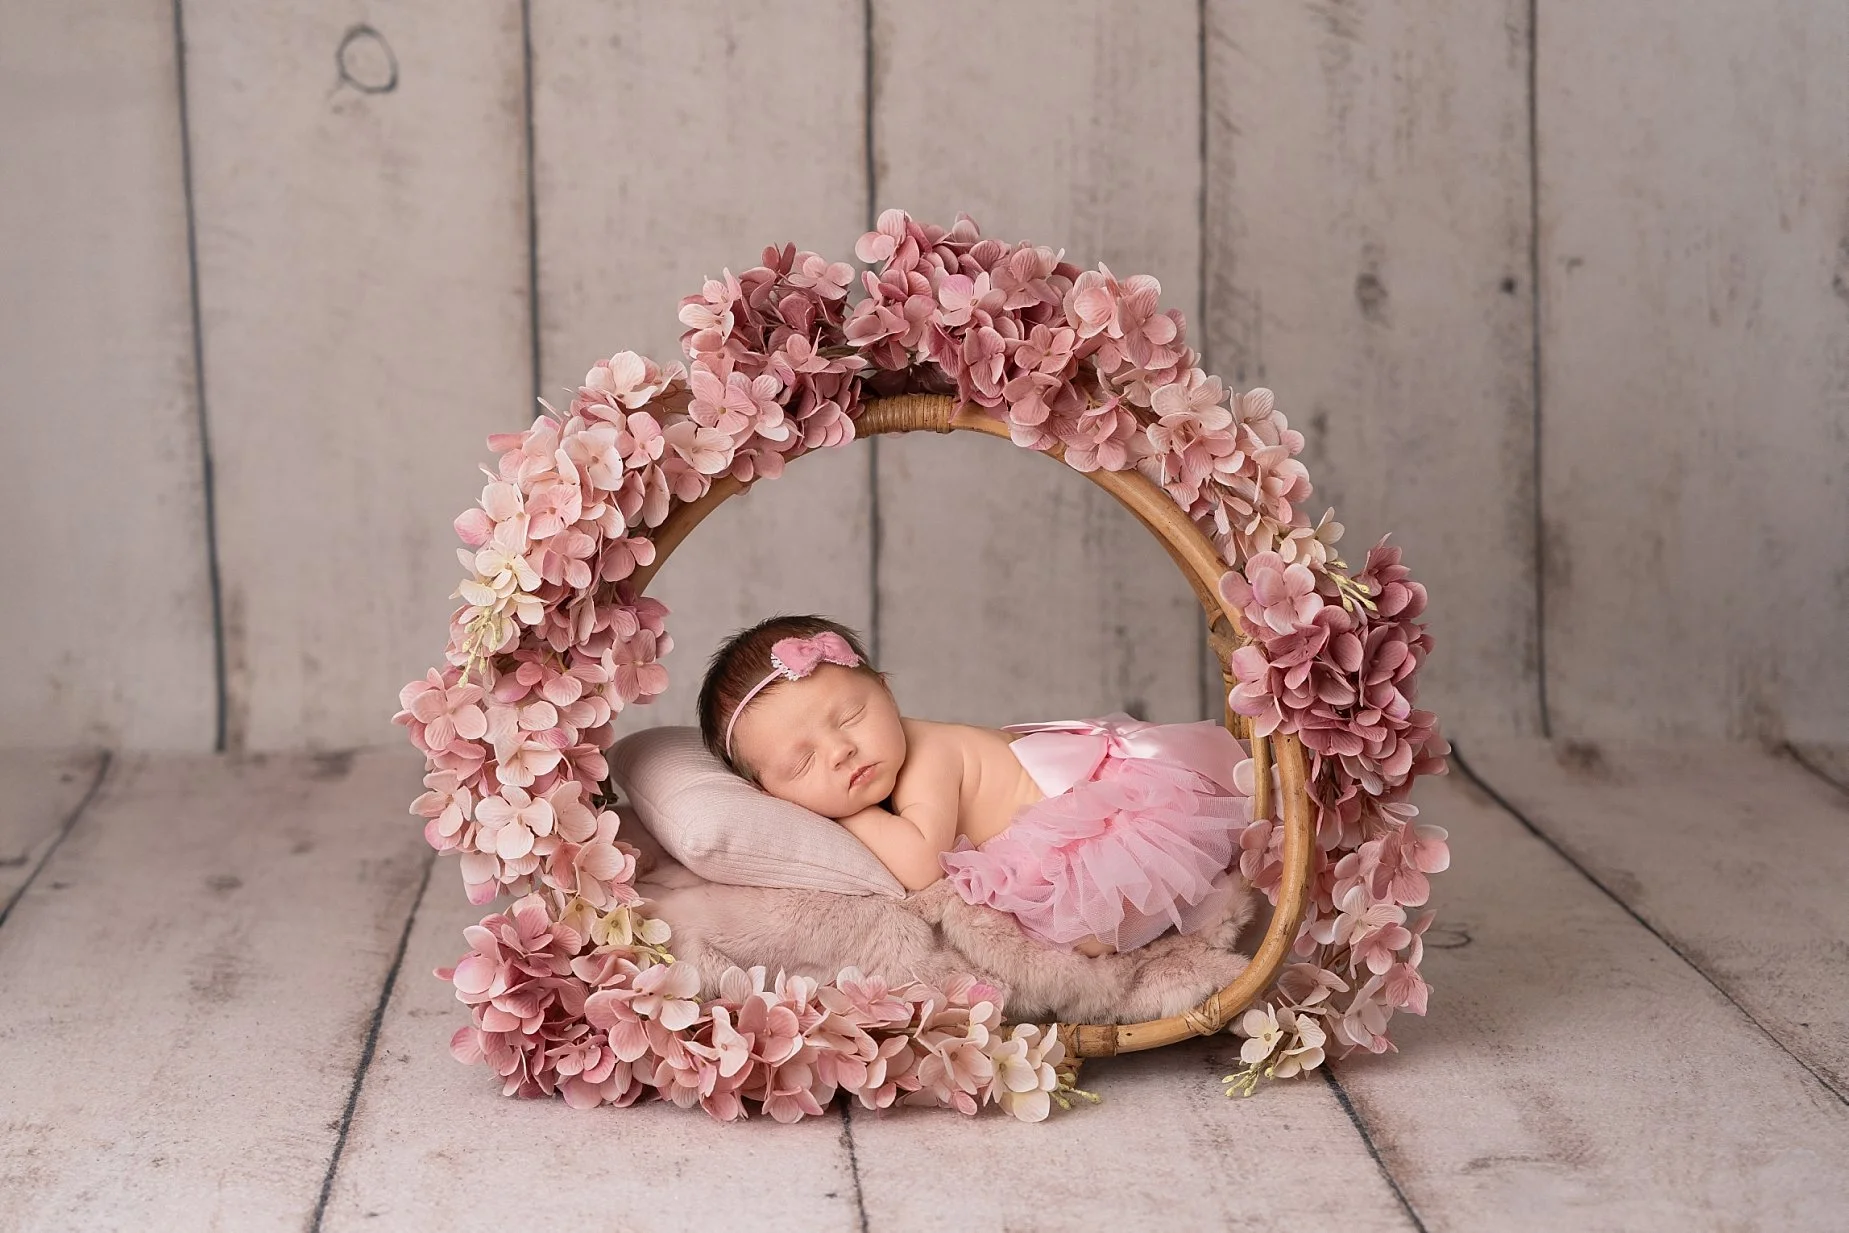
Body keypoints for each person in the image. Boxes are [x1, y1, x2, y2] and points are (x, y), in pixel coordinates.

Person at [696, 614, 1254, 956]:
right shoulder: (871, 766)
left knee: (1087, 929)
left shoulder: (928, 755)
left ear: (887, 692)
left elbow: (919, 865)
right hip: (1070, 813)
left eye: (850, 718)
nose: (841, 751)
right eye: (801, 765)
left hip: (1105, 818)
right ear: (767, 794)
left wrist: (850, 814)